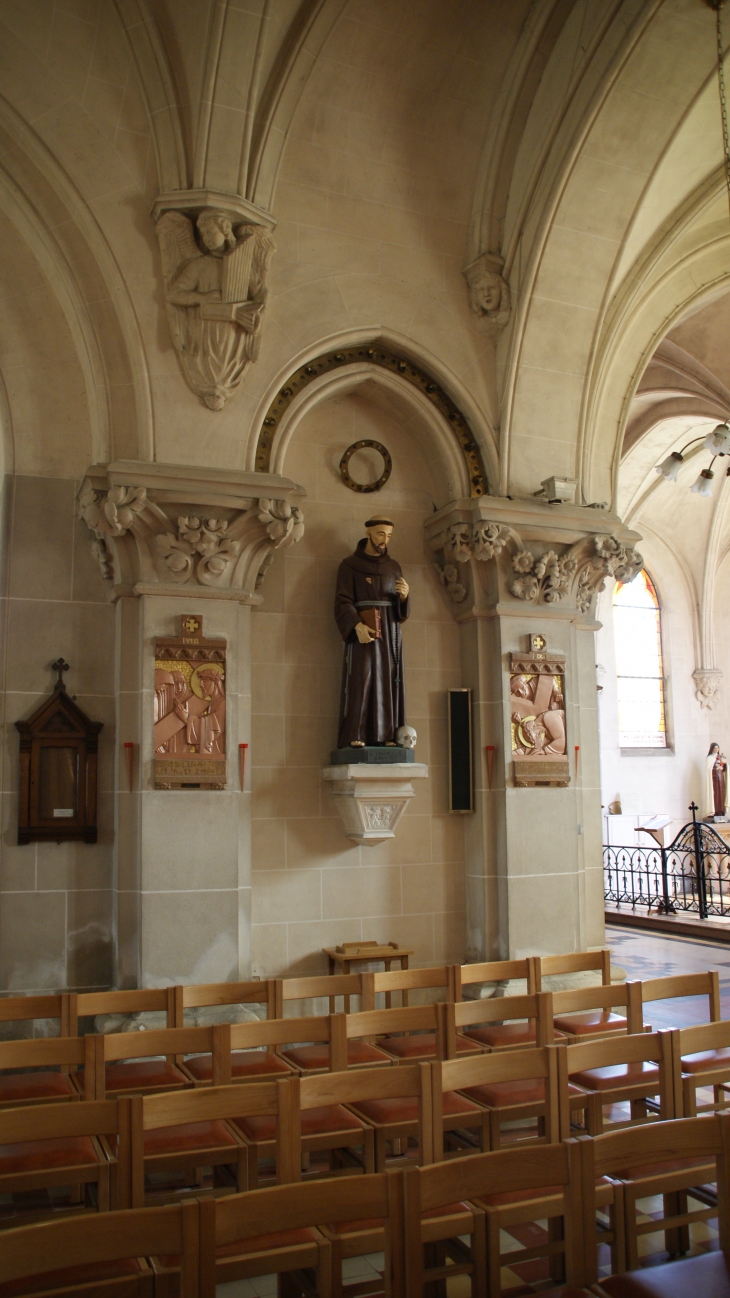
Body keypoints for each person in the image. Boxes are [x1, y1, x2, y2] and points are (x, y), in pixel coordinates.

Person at [335, 518, 410, 748]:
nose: (384, 540)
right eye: (380, 534)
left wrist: (404, 597)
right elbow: (342, 601)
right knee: (362, 678)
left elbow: (401, 613)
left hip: (390, 632)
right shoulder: (349, 565)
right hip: (365, 632)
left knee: (388, 680)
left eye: (388, 536)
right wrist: (356, 625)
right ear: (368, 533)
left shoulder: (393, 567)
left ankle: (387, 736)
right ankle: (355, 735)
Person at [704, 742, 729, 820]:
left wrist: (724, 767)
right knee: (716, 795)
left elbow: (724, 766)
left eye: (717, 748)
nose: (716, 750)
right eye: (715, 748)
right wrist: (715, 769)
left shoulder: (719, 757)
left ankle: (721, 811)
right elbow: (709, 769)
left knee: (721, 795)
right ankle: (714, 811)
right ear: (712, 749)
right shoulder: (709, 758)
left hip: (720, 779)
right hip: (714, 780)